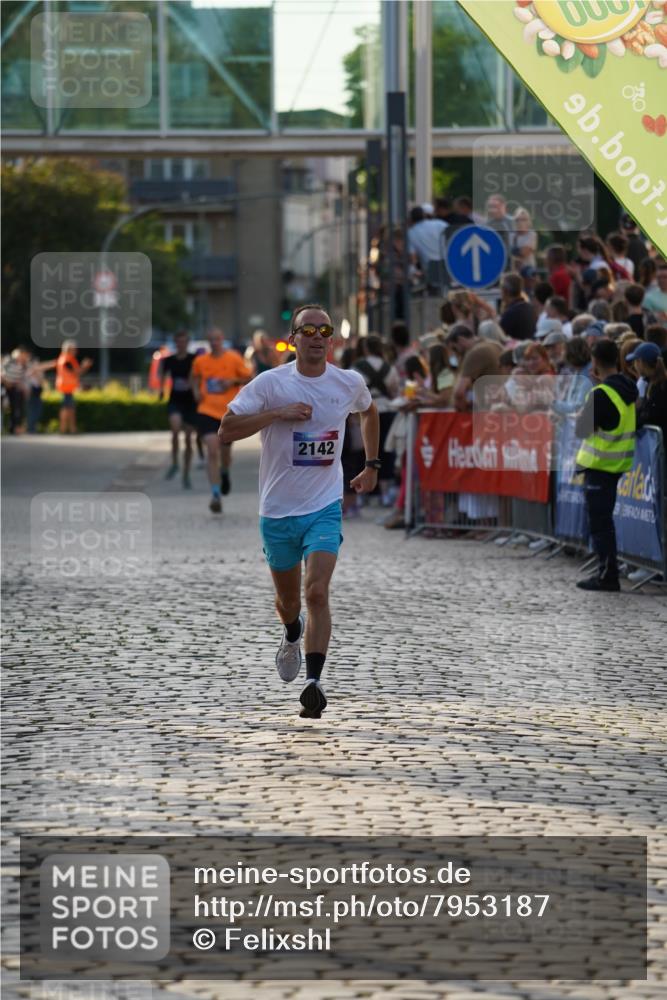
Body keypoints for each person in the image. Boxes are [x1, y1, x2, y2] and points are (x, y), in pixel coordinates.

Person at [219, 304, 379, 720]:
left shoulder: (347, 382)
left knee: (317, 592)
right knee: (289, 601)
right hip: (277, 510)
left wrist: (372, 466)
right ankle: (292, 633)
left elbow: (369, 410)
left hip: (325, 505)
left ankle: (314, 682)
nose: (316, 336)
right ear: (293, 339)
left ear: (332, 339)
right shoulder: (270, 384)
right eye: (307, 330)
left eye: (324, 330)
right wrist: (277, 414)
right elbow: (225, 430)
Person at [575, 338, 638, 592]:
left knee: (600, 525)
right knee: (605, 523)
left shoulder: (600, 393)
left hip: (600, 466)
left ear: (594, 361)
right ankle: (607, 572)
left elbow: (581, 430)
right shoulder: (628, 388)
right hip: (617, 464)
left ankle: (607, 575)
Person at [191, 329, 253, 513]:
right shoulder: (200, 361)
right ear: (208, 342)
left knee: (225, 454)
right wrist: (196, 390)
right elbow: (194, 377)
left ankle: (225, 472)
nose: (214, 343)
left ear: (222, 340)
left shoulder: (233, 358)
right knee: (211, 450)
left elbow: (248, 377)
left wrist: (232, 382)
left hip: (228, 412)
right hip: (206, 410)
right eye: (211, 340)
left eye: (217, 339)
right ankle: (215, 494)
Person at [353, 334, 399, 507]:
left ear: (365, 348)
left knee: (365, 451)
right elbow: (394, 389)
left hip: (365, 410)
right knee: (385, 452)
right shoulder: (389, 367)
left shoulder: (358, 367)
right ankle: (385, 492)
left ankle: (362, 492)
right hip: (386, 409)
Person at [159, 330, 198, 489]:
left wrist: (196, 389)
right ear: (175, 343)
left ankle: (186, 473)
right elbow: (163, 375)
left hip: (190, 402)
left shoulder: (194, 359)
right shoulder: (169, 360)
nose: (181, 344)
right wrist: (161, 390)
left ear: (187, 343)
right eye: (178, 341)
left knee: (189, 439)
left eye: (183, 341)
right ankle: (175, 462)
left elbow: (198, 376)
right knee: (175, 429)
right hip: (175, 400)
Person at [627, 341, 667, 440]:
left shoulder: (660, 387)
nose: (634, 365)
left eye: (635, 361)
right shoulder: (650, 383)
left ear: (641, 362)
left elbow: (648, 417)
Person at [55, 340, 93, 434]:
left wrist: (84, 368)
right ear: (68, 349)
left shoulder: (69, 359)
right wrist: (84, 366)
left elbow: (76, 374)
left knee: (70, 409)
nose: (76, 351)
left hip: (68, 388)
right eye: (73, 349)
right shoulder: (65, 360)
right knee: (66, 409)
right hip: (65, 388)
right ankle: (64, 429)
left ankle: (71, 429)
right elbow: (76, 372)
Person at [499, 273, 536, 341]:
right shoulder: (530, 308)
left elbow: (501, 339)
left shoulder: (509, 314)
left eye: (501, 288)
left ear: (505, 291)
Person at [1, 347, 29, 434]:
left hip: (14, 388)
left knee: (16, 408)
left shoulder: (23, 365)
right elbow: (1, 372)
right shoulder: (9, 362)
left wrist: (22, 386)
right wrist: (6, 382)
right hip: (5, 386)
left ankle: (13, 428)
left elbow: (21, 378)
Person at [511, 206, 537, 271]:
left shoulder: (531, 235)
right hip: (512, 271)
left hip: (527, 270)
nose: (520, 222)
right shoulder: (510, 234)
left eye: (523, 219)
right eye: (517, 219)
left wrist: (511, 254)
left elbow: (523, 253)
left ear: (528, 221)